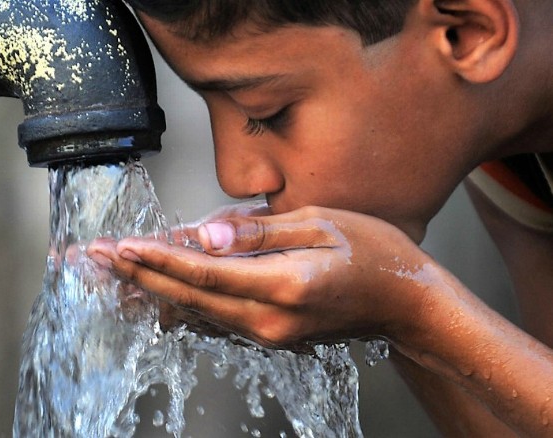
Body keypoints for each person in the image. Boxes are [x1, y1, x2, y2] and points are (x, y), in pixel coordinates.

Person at [88, 0, 553, 435]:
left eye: (268, 113)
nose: (233, 175)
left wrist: (418, 310)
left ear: (467, 33)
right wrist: (375, 310)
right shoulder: (512, 161)